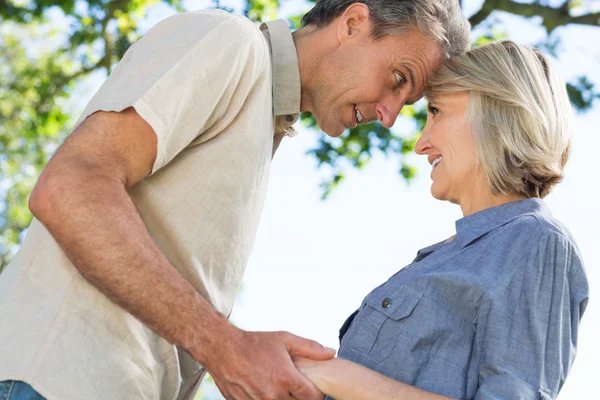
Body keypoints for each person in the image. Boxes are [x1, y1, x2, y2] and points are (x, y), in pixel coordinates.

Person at [0, 1, 470, 400]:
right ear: (352, 24)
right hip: (53, 378)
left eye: (406, 102)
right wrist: (225, 345)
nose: (389, 116)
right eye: (397, 78)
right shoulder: (231, 42)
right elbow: (71, 186)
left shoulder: (265, 119)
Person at [295, 40, 589, 399]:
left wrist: (332, 376)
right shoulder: (451, 253)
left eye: (435, 111)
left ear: (495, 110)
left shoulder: (536, 242)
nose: (421, 144)